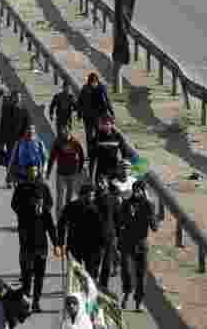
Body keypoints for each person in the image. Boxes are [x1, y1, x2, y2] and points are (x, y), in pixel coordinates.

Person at [11, 183, 60, 313]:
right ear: (32, 200)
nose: (39, 203)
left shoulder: (45, 212)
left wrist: (56, 245)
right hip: (27, 248)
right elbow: (21, 226)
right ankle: (26, 302)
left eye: (41, 201)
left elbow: (51, 228)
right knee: (27, 277)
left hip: (42, 248)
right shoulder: (24, 212)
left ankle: (36, 302)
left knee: (39, 277)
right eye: (36, 201)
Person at [118, 180, 159, 311]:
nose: (137, 192)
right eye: (135, 190)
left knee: (141, 275)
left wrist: (151, 217)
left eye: (139, 190)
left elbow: (154, 227)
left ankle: (138, 302)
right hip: (127, 243)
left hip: (142, 244)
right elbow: (119, 221)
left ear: (143, 191)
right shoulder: (126, 204)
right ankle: (126, 293)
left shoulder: (148, 205)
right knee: (127, 272)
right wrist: (128, 215)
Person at [57, 184, 105, 284]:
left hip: (92, 247)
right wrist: (60, 242)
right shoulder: (71, 206)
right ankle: (78, 292)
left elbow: (102, 228)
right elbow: (62, 224)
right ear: (81, 195)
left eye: (92, 196)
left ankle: (90, 291)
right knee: (76, 273)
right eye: (88, 196)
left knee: (91, 274)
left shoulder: (96, 208)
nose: (90, 198)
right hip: (75, 245)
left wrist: (102, 244)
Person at [46, 126, 86, 217]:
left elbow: (82, 156)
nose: (64, 134)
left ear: (70, 133)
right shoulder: (58, 142)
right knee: (60, 198)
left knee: (69, 198)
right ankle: (59, 217)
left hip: (72, 173)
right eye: (63, 133)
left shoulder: (75, 142)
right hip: (61, 174)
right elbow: (52, 158)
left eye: (66, 132)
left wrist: (79, 170)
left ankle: (68, 217)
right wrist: (48, 172)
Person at [89, 115, 136, 184]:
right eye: (103, 124)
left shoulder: (117, 136)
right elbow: (92, 157)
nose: (105, 126)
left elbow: (124, 150)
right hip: (101, 169)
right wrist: (91, 177)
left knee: (114, 189)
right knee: (101, 190)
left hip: (114, 167)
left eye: (107, 124)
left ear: (111, 125)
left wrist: (125, 162)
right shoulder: (97, 137)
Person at [78, 72, 114, 154]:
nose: (93, 83)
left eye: (94, 81)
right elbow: (80, 102)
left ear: (97, 81)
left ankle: (98, 151)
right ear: (89, 82)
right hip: (87, 116)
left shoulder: (101, 88)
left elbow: (107, 101)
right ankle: (90, 152)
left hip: (98, 116)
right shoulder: (85, 89)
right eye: (91, 82)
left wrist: (111, 112)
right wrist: (79, 114)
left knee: (99, 134)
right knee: (89, 135)